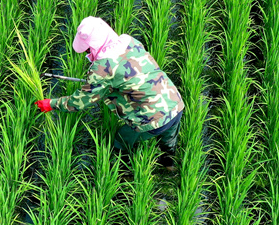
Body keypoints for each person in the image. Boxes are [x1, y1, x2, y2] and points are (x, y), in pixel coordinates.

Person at [34, 16, 184, 168]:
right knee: (168, 138)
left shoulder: (102, 68)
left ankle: (121, 171)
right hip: (175, 103)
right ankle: (169, 165)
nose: (87, 52)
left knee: (122, 138)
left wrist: (52, 104)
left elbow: (80, 101)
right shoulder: (130, 42)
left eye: (87, 49)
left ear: (93, 45)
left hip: (152, 117)